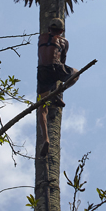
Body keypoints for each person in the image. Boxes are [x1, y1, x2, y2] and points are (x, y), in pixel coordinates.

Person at [37, 17, 78, 158]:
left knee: (42, 109)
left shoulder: (41, 37)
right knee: (76, 74)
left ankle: (46, 139)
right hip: (56, 68)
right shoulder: (64, 41)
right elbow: (62, 60)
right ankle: (58, 93)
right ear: (61, 31)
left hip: (42, 71)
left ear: (49, 29)